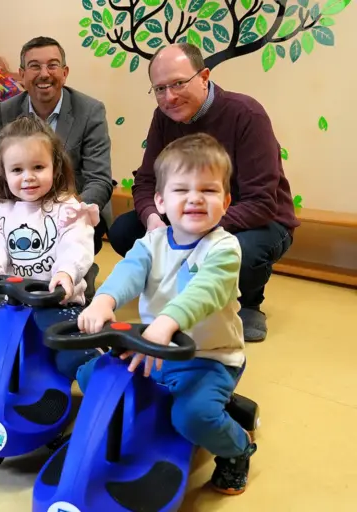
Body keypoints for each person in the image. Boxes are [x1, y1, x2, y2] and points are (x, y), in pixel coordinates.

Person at [77, 133, 257, 495]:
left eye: (208, 190)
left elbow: (203, 292)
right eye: (181, 190)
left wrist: (164, 324)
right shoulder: (152, 243)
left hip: (208, 357)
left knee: (193, 417)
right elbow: (128, 272)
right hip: (152, 347)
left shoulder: (224, 249)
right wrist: (104, 301)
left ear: (225, 200)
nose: (194, 198)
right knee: (90, 377)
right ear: (160, 200)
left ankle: (237, 447)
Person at [107, 43, 298, 342]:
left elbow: (261, 203)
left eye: (178, 83)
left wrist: (201, 229)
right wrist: (153, 219)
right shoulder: (163, 117)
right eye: (159, 89)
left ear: (204, 76)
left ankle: (248, 302)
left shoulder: (246, 114)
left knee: (239, 252)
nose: (169, 97)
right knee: (124, 230)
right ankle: (173, 287)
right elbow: (145, 181)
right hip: (189, 215)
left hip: (260, 222)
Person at [0, 114, 101, 390]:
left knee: (71, 360)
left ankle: (92, 360)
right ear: (4, 173)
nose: (28, 178)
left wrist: (65, 273)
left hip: (59, 303)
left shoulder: (68, 208)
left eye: (38, 167)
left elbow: (77, 246)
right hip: (17, 303)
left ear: (55, 167)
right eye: (17, 170)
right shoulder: (2, 212)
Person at [0, 36, 114, 258]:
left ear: (65, 73)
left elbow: (99, 179)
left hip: (71, 207)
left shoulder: (90, 111)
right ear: (22, 75)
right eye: (35, 66)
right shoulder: (7, 110)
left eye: (52, 65)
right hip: (19, 207)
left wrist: (69, 212)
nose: (44, 73)